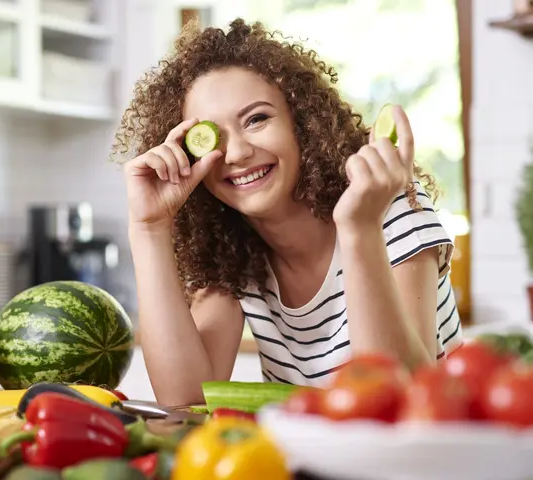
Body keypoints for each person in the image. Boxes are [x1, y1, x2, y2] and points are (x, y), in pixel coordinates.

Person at [112, 18, 463, 406]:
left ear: (302, 122)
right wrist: (149, 228)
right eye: (213, 136)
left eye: (257, 119)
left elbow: (399, 395)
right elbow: (185, 398)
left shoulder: (388, 209)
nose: (238, 153)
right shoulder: (233, 254)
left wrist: (359, 228)